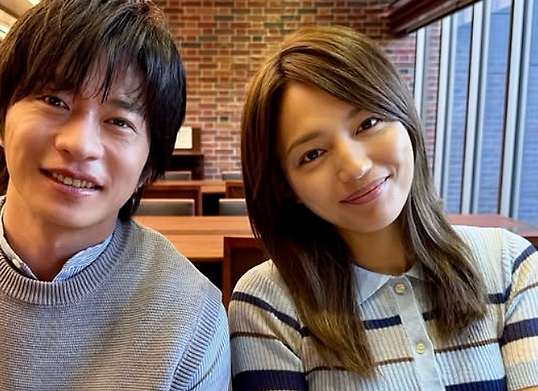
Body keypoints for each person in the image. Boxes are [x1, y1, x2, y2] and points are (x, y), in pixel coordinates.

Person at [0, 0, 230, 391]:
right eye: (54, 101)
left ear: (149, 165)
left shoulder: (190, 317)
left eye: (119, 121)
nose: (79, 144)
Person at [229, 25, 538, 390]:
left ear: (403, 118)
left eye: (368, 123)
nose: (355, 167)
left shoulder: (509, 264)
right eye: (312, 154)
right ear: (286, 186)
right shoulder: (268, 305)